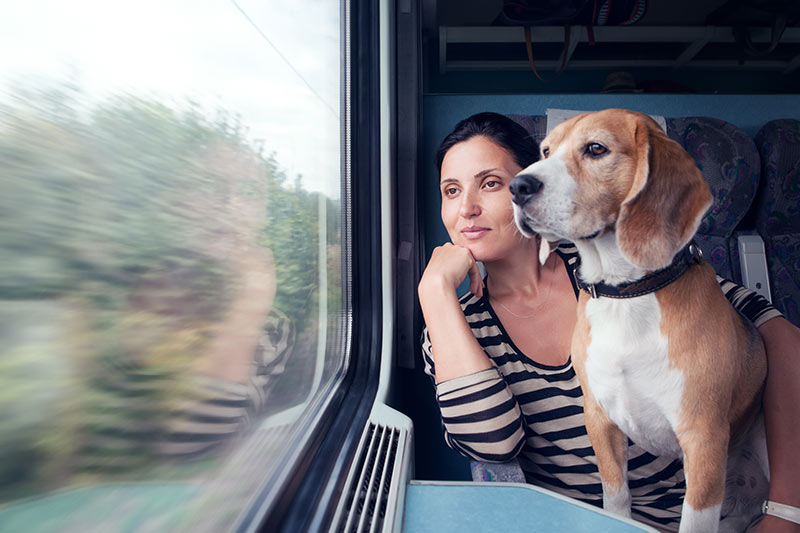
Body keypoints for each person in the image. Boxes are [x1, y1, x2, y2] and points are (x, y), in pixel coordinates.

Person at [418, 112, 800, 532]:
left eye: (491, 183)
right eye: (451, 191)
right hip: (583, 522)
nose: (466, 209)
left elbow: (780, 338)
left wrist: (786, 509)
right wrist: (435, 292)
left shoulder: (635, 269)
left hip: (701, 508)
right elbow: (491, 443)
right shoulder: (452, 326)